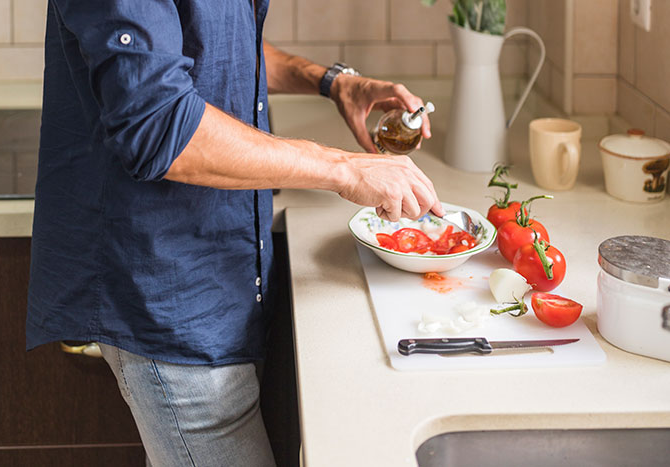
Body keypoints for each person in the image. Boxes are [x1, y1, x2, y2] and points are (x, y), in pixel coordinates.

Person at [26, 1, 443, 466]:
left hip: (226, 277)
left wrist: (332, 81)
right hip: (167, 294)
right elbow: (159, 123)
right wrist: (343, 167)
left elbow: (218, 46)